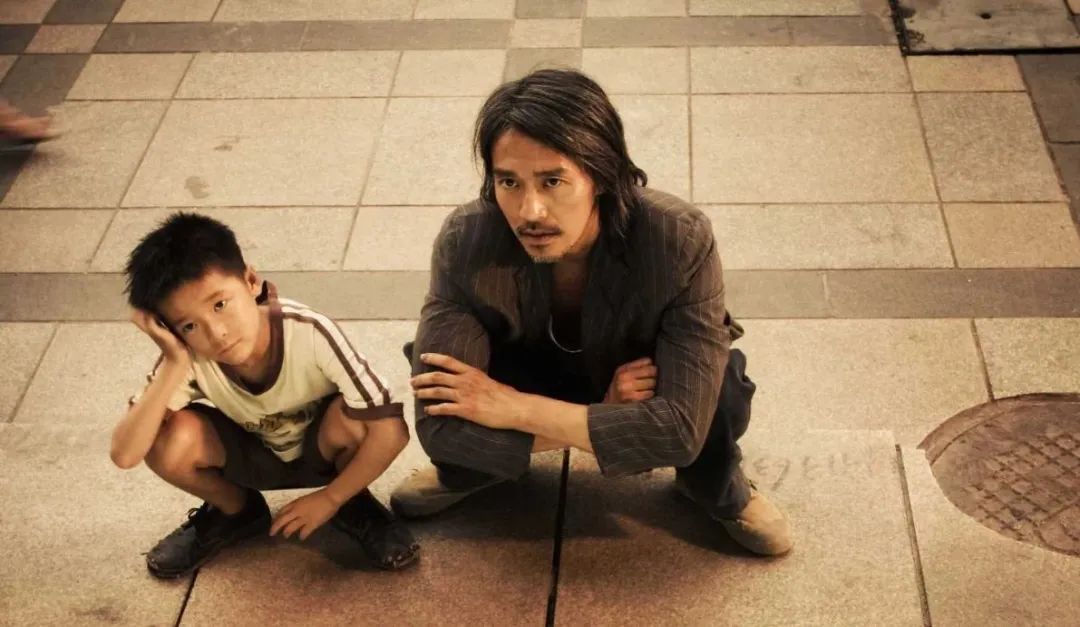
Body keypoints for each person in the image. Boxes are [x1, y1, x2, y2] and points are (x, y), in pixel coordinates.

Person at [395, 69, 792, 556]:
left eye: (553, 180)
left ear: (600, 174)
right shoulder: (467, 239)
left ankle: (712, 484)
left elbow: (680, 431)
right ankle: (472, 473)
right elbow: (439, 429)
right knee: (450, 391)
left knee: (717, 386)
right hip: (535, 369)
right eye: (509, 182)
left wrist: (517, 411)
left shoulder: (676, 237)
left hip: (635, 377)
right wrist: (603, 423)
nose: (530, 211)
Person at [112, 213, 419, 577]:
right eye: (190, 325)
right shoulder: (188, 357)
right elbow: (126, 453)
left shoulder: (309, 332)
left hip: (323, 452)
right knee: (166, 439)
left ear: (251, 281)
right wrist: (175, 360)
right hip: (253, 458)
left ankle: (353, 503)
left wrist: (331, 498)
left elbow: (392, 431)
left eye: (219, 305)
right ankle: (236, 512)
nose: (217, 333)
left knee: (362, 420)